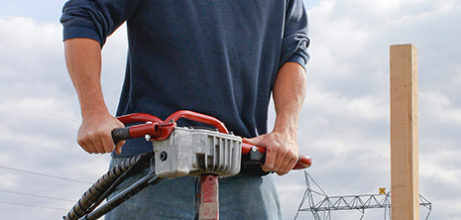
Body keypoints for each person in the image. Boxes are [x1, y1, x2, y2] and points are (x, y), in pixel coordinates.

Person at [60, 0, 309, 219]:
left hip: (245, 168)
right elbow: (85, 13)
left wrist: (285, 131)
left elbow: (293, 53)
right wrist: (93, 112)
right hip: (154, 167)